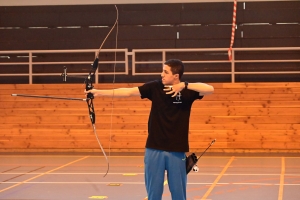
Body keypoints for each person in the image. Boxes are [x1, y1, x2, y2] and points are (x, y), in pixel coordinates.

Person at [85, 59, 214, 200]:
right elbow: (129, 92)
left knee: (179, 194)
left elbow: (210, 89)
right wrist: (100, 93)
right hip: (154, 149)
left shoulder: (188, 91)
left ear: (176, 76)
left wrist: (184, 85)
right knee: (154, 194)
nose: (162, 74)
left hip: (177, 151)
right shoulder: (156, 87)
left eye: (166, 72)